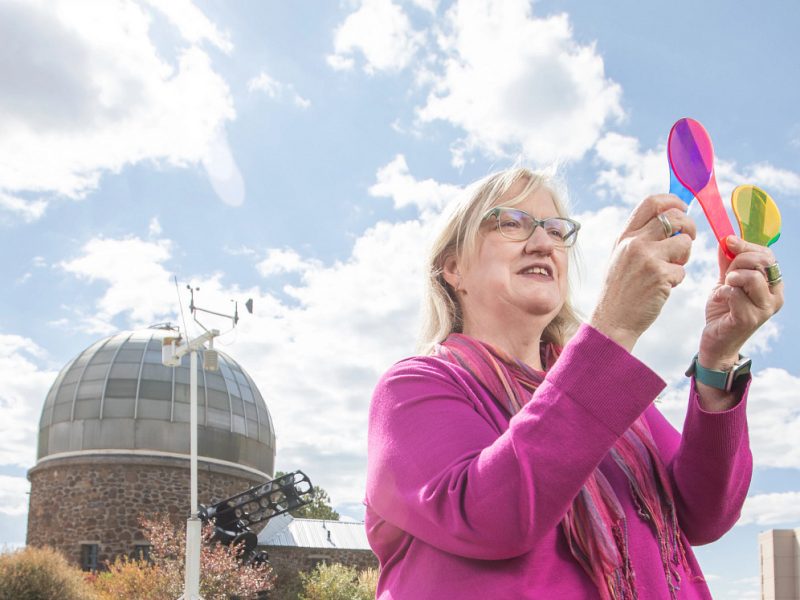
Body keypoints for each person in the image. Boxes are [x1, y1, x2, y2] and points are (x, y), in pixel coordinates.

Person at [364, 168, 784, 599]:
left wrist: (718, 360)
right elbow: (493, 516)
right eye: (511, 222)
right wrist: (614, 326)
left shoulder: (607, 392)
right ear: (453, 268)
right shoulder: (412, 388)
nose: (544, 243)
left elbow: (705, 513)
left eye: (556, 230)